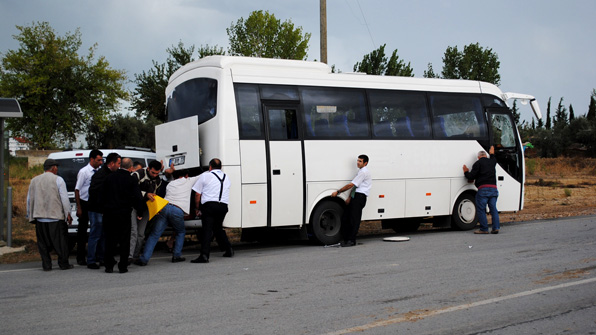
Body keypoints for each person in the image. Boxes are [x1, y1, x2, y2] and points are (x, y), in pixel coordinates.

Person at [136, 168, 199, 265]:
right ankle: (176, 255)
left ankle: (144, 259)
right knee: (180, 232)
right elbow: (202, 176)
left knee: (154, 234)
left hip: (165, 208)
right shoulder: (188, 181)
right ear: (186, 175)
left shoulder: (171, 184)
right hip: (177, 210)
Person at [27, 159, 74, 271]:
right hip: (55, 216)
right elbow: (64, 199)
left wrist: (30, 214)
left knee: (42, 244)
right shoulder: (58, 180)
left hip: (40, 217)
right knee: (60, 243)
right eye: (56, 167)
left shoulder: (34, 180)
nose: (57, 169)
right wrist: (68, 213)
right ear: (53, 168)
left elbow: (29, 199)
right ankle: (63, 264)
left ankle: (46, 265)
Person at [102, 156, 144, 273]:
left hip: (109, 213)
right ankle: (123, 265)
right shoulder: (131, 180)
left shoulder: (109, 178)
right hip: (124, 213)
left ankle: (109, 265)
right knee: (124, 239)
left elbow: (103, 195)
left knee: (110, 239)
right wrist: (139, 211)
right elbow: (137, 197)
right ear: (131, 168)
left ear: (120, 165)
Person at [191, 158, 233, 263]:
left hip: (209, 206)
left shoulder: (205, 176)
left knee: (207, 230)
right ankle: (229, 249)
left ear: (210, 167)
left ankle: (204, 255)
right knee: (218, 228)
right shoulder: (226, 177)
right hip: (223, 206)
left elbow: (197, 194)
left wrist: (197, 208)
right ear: (221, 167)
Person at [129, 160, 170, 263]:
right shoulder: (137, 175)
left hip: (145, 208)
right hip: (133, 206)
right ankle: (128, 256)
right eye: (153, 173)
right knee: (133, 232)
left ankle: (135, 255)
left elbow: (158, 194)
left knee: (141, 234)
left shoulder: (158, 180)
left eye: (157, 173)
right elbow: (131, 190)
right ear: (148, 169)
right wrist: (146, 194)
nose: (155, 175)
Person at [331, 154, 372, 247]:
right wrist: (349, 197)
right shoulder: (360, 171)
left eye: (360, 161)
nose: (358, 162)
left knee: (354, 220)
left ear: (365, 163)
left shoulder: (364, 172)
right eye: (358, 160)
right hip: (355, 196)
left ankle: (351, 240)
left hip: (360, 197)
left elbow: (351, 185)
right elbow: (355, 187)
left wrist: (338, 192)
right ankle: (346, 239)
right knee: (346, 218)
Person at [86, 153, 118, 269]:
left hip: (103, 209)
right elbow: (95, 192)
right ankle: (91, 260)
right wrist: (103, 206)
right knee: (95, 234)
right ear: (112, 163)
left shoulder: (107, 173)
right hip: (97, 209)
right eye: (118, 163)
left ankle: (102, 257)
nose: (119, 166)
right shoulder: (102, 175)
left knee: (103, 234)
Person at [73, 149, 103, 265]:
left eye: (101, 160)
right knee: (82, 231)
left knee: (96, 230)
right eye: (98, 160)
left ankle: (96, 255)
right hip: (84, 202)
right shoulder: (84, 172)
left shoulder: (99, 171)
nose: (100, 162)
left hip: (95, 203)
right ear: (92, 159)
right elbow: (77, 189)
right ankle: (80, 257)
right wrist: (79, 207)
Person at [463, 146, 500, 234]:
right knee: (493, 209)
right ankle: (496, 228)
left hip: (483, 189)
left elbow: (471, 176)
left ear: (478, 157)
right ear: (486, 156)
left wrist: (466, 171)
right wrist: (491, 153)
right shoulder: (492, 162)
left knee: (481, 209)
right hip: (494, 189)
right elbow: (493, 157)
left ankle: (484, 229)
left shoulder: (477, 163)